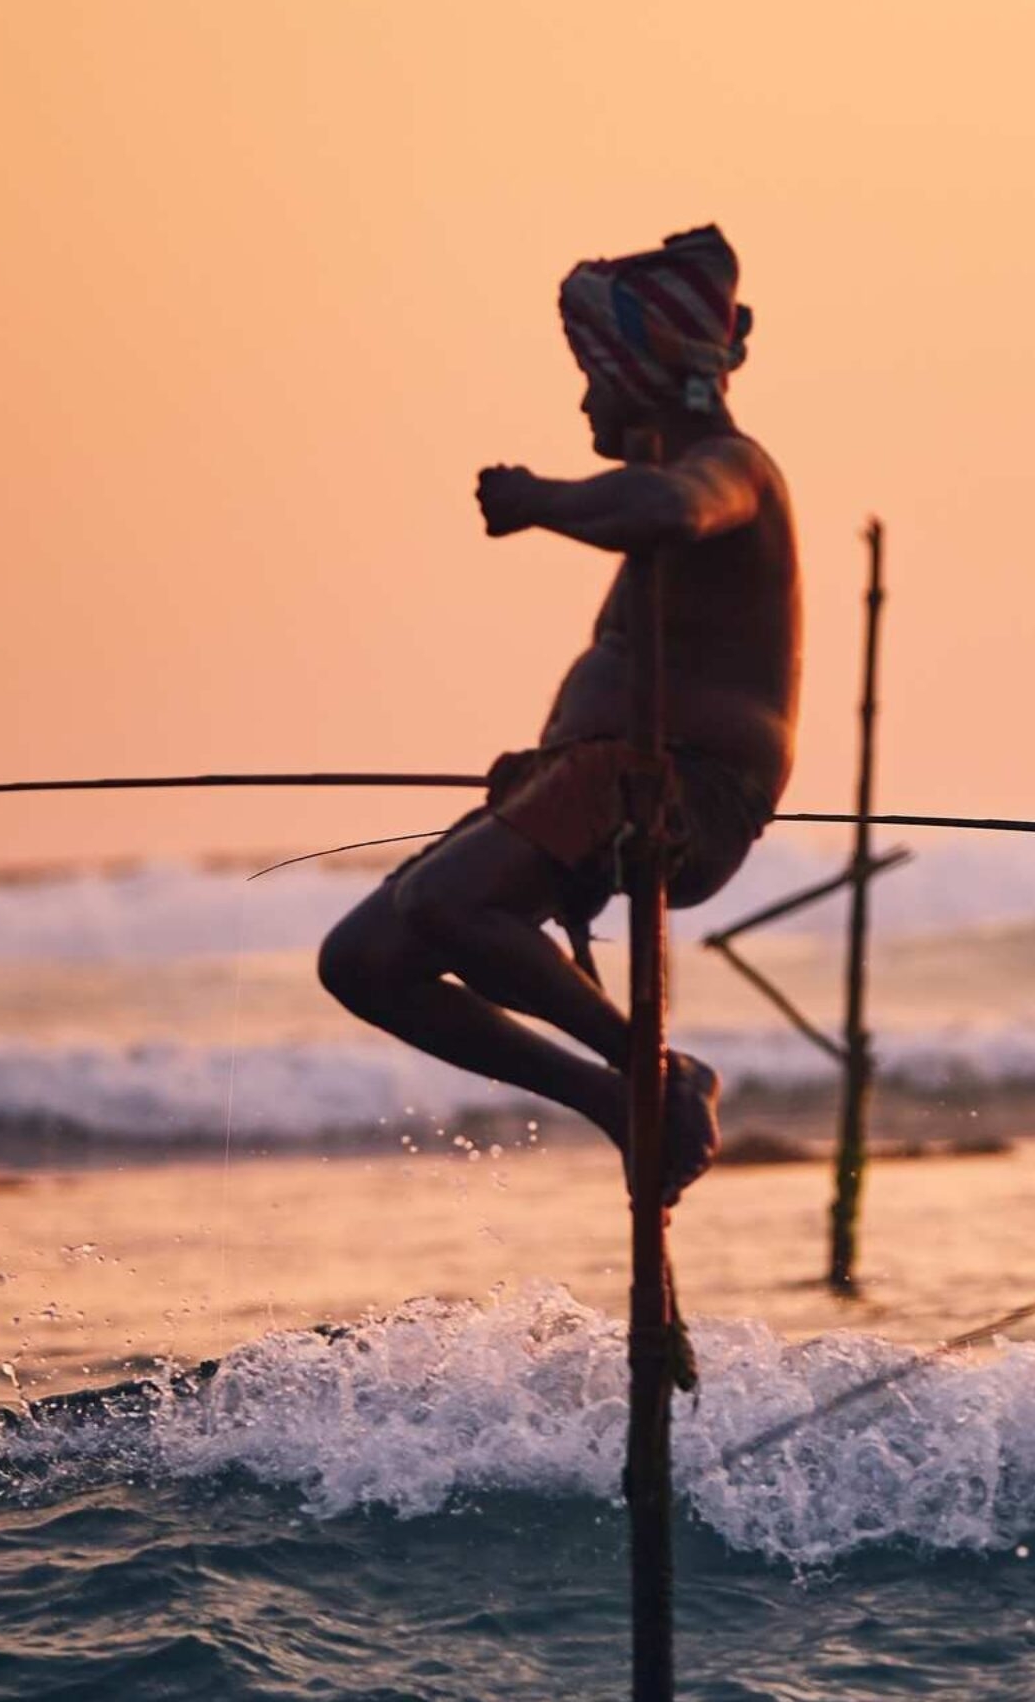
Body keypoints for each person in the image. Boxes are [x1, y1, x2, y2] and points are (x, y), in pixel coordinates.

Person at [319, 226, 800, 1205]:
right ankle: (614, 1092)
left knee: (451, 904)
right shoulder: (672, 474)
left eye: (595, 376)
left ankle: (654, 1075)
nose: (584, 399)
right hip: (592, 783)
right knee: (364, 960)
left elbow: (670, 507)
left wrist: (539, 500)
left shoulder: (728, 466)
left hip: (679, 791)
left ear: (643, 374)